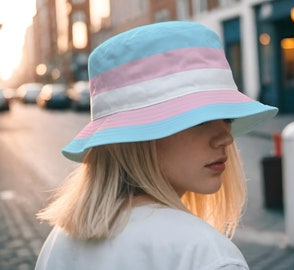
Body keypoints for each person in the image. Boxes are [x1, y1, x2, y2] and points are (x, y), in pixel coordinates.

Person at [35, 21, 277, 270]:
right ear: (138, 138)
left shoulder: (58, 243)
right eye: (200, 120)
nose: (226, 137)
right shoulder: (206, 255)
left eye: (227, 117)